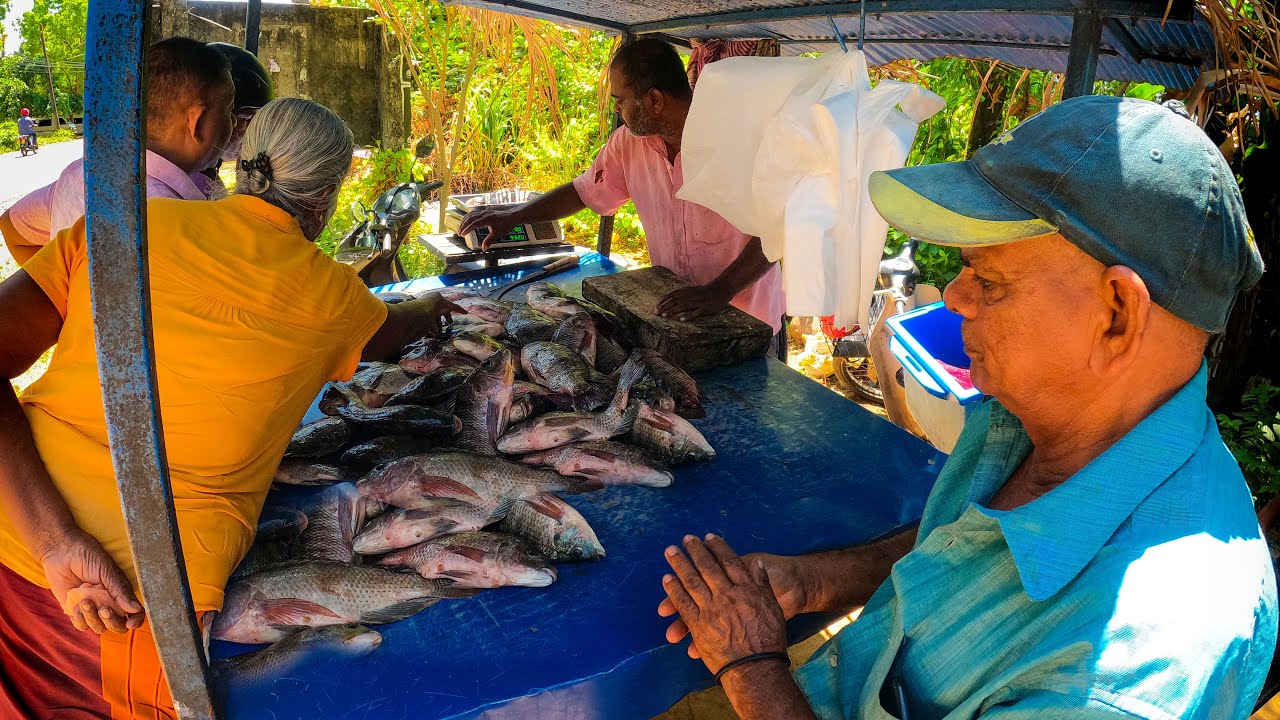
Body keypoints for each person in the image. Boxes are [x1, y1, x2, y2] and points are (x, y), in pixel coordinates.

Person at [656, 96, 1276, 719]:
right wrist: (817, 581)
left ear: (1116, 313)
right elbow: (960, 552)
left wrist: (752, 666)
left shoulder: (1120, 680)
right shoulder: (1040, 418)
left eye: (988, 277)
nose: (953, 296)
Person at [0, 97, 460, 718]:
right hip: (124, 600)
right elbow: (393, 328)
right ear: (324, 199)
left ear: (242, 161)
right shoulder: (335, 298)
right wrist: (432, 308)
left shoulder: (124, 230)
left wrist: (51, 540)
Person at [458, 38, 787, 353]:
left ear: (654, 100)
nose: (617, 108)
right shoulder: (628, 143)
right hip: (678, 321)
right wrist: (515, 216)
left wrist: (720, 290)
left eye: (620, 99)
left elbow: (779, 226)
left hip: (748, 324)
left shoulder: (740, 138)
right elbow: (584, 191)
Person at [0, 37, 236, 266]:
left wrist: (63, 298)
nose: (234, 123)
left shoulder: (78, 174)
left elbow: (11, 228)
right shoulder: (178, 219)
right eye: (229, 110)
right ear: (196, 120)